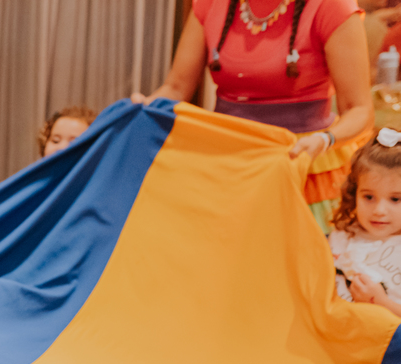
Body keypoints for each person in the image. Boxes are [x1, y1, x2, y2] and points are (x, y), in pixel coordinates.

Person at [140, 0, 373, 231]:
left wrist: (325, 139)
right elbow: (177, 87)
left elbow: (360, 110)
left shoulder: (330, 6)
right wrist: (144, 108)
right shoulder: (210, 4)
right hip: (228, 161)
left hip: (300, 161)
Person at [328, 127, 401, 314]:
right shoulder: (343, 236)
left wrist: (381, 303)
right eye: (368, 197)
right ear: (354, 194)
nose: (379, 211)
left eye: (395, 199)